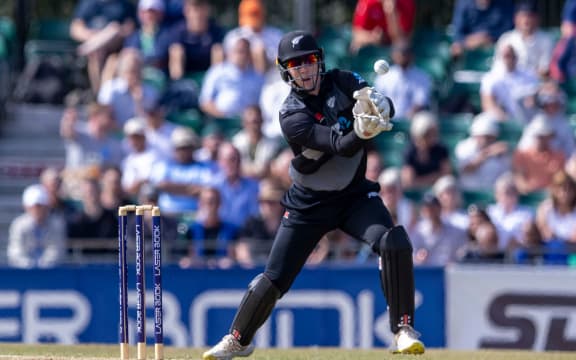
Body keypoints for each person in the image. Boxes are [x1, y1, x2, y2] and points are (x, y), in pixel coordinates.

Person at [202, 30, 425, 360]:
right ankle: (238, 339)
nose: (304, 69)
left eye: (308, 61)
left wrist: (382, 106)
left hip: (353, 197)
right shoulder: (290, 114)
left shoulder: (344, 80)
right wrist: (362, 131)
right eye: (295, 64)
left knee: (393, 241)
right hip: (309, 204)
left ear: (319, 61)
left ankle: (403, 330)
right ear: (285, 71)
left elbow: (380, 103)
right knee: (273, 279)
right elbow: (336, 145)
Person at [7, 184, 67, 268]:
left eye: (40, 206)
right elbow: (15, 250)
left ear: (47, 207)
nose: (37, 210)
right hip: (23, 273)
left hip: (51, 273)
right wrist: (28, 264)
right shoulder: (19, 225)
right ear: (26, 207)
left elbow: (56, 250)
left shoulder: (56, 224)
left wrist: (43, 265)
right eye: (34, 206)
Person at [373, 40, 432, 120]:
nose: (401, 56)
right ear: (393, 55)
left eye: (405, 52)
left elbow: (420, 102)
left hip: (412, 120)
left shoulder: (421, 76)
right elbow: (377, 100)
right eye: (399, 52)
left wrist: (408, 117)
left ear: (411, 55)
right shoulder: (384, 76)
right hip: (386, 118)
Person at [350, 0, 416, 53]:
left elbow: (400, 38)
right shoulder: (367, 2)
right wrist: (373, 37)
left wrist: (391, 12)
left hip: (392, 49)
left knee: (401, 46)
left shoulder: (406, 2)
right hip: (371, 46)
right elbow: (357, 34)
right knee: (355, 46)